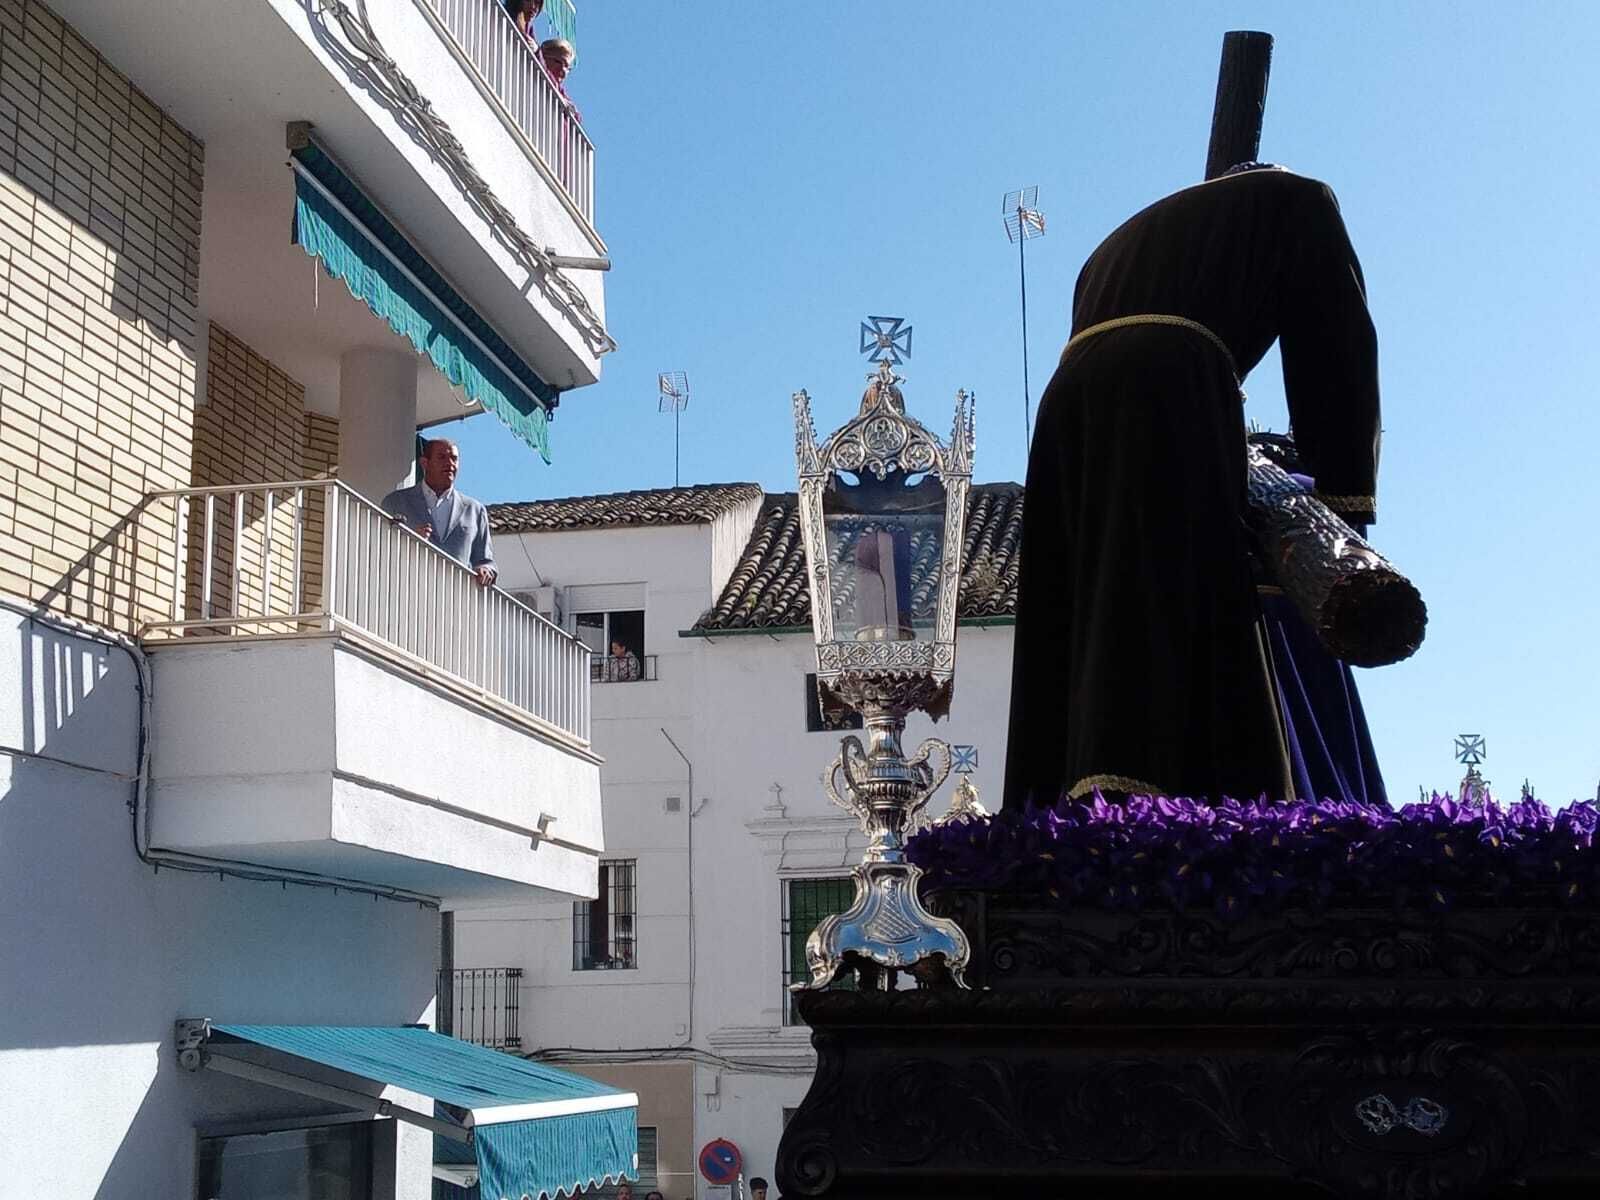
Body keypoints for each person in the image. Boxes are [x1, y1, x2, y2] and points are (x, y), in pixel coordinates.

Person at [1002, 165, 1379, 810]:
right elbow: (1337, 348)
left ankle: (1073, 801)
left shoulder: (1127, 241)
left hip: (1068, 404)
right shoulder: (1305, 200)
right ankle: (1210, 802)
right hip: (1167, 378)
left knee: (1096, 604)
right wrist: (1345, 505)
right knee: (1193, 588)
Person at [381, 438, 497, 588]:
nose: (450, 463)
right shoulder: (395, 502)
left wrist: (486, 570)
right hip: (406, 592)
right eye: (442, 457)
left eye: (454, 458)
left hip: (455, 600)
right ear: (424, 463)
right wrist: (408, 542)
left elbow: (485, 560)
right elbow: (379, 550)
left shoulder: (474, 510)